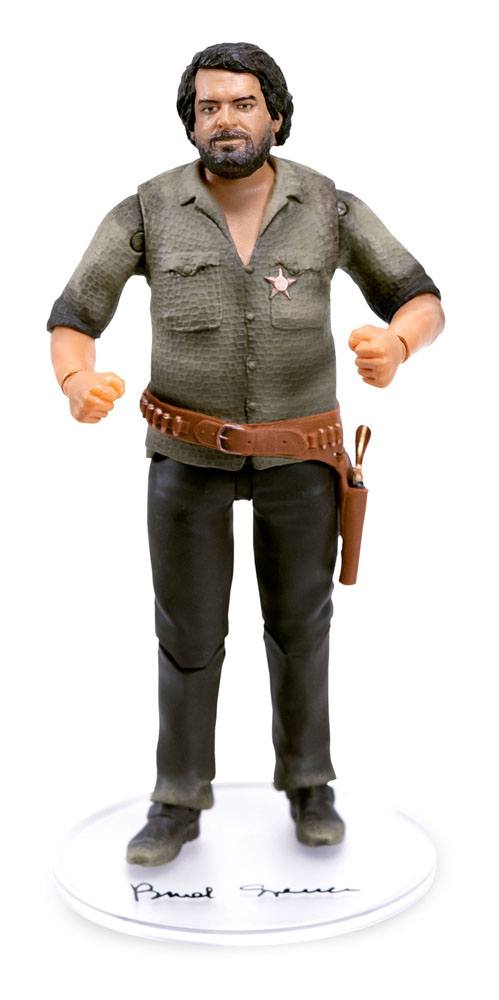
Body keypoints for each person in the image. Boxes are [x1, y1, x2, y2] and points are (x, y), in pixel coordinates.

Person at [47, 42, 444, 866]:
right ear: (190, 120)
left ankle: (308, 782)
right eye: (208, 106)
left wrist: (398, 345)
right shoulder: (146, 210)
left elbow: (419, 296)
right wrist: (75, 379)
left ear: (275, 114)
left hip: (301, 455)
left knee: (301, 627)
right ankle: (176, 796)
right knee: (186, 635)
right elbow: (74, 314)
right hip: (185, 454)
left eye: (241, 103)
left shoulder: (327, 206)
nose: (224, 119)